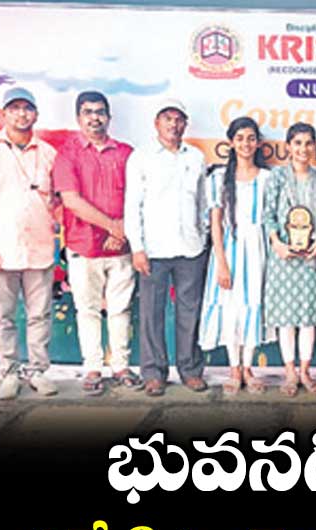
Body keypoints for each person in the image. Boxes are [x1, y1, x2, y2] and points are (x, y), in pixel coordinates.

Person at [0, 87, 59, 400]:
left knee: (40, 315)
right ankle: (9, 372)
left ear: (36, 114)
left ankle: (38, 371)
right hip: (0, 251)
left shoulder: (48, 153)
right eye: (15, 108)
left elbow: (58, 200)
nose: (21, 114)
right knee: (2, 316)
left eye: (27, 108)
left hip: (39, 247)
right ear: (4, 113)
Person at [52, 90, 138, 397]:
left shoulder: (126, 153)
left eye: (100, 112)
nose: (94, 118)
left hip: (120, 247)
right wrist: (113, 226)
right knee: (87, 309)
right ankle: (92, 369)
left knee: (120, 309)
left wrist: (122, 229)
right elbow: (71, 200)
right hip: (83, 246)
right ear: (79, 118)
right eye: (88, 112)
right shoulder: (68, 155)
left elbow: (138, 197)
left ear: (109, 117)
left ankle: (121, 367)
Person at [124, 98, 209, 397]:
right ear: (156, 123)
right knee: (151, 313)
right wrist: (137, 248)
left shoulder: (196, 157)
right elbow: (132, 206)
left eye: (178, 119)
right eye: (167, 118)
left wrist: (203, 237)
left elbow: (203, 202)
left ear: (185, 124)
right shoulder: (141, 157)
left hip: (191, 249)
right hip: (154, 250)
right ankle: (153, 373)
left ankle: (190, 370)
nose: (173, 124)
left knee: (190, 311)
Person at [262, 122, 316, 398]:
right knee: (285, 318)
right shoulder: (277, 177)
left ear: (314, 146)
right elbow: (268, 215)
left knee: (307, 317)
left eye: (308, 143)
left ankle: (305, 372)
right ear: (288, 147)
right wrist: (277, 243)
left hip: (310, 259)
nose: (303, 149)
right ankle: (290, 372)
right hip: (283, 257)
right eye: (297, 143)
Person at [199, 117, 271, 394]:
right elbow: (216, 224)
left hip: (257, 248)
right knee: (230, 306)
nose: (245, 143)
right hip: (228, 248)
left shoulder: (267, 178)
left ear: (258, 143)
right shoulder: (218, 178)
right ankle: (234, 368)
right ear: (231, 142)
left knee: (252, 302)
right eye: (239, 138)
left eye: (251, 138)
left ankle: (249, 367)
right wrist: (221, 262)